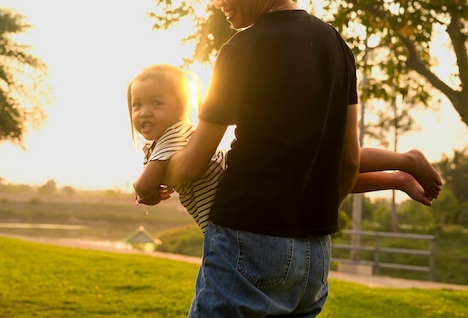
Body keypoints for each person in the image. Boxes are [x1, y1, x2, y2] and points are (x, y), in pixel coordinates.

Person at [153, 0, 442, 317]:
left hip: (246, 242)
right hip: (314, 257)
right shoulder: (337, 47)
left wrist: (158, 172)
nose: (217, 0)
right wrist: (311, 219)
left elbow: (195, 160)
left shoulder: (240, 50)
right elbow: (347, 160)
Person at [129, 64, 440, 236]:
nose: (145, 112)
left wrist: (148, 191)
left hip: (245, 193)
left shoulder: (173, 134)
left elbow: (144, 185)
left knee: (330, 164)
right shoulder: (163, 142)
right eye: (137, 105)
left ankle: (404, 160)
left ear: (182, 108)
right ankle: (398, 177)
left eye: (157, 103)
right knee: (324, 178)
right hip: (250, 195)